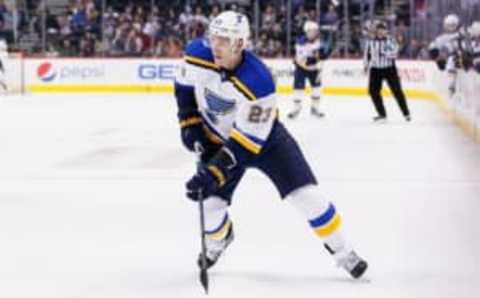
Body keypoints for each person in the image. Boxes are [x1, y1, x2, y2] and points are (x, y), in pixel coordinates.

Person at [174, 10, 368, 279]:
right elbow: (183, 85)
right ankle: (220, 239)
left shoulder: (259, 82)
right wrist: (189, 120)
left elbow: (245, 143)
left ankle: (343, 250)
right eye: (214, 38)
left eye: (224, 40)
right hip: (216, 140)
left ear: (240, 44)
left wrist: (214, 171)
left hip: (265, 141)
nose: (215, 45)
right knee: (208, 205)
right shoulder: (196, 54)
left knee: (307, 196)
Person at [364, 21, 411, 123]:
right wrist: (365, 66)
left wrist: (384, 53)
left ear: (386, 31)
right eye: (379, 29)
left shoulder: (391, 40)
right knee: (373, 91)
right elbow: (367, 54)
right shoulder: (370, 41)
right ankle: (382, 114)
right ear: (376, 31)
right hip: (375, 69)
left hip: (389, 69)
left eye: (383, 30)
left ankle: (406, 113)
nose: (381, 32)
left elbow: (395, 54)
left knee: (397, 91)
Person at [288, 21, 328, 119]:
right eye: (312, 31)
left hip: (314, 68)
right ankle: (296, 109)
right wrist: (310, 64)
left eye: (315, 31)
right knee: (298, 89)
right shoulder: (300, 42)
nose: (314, 33)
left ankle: (314, 108)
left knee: (317, 89)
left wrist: (320, 62)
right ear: (307, 31)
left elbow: (321, 56)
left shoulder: (319, 42)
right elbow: (300, 59)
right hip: (301, 68)